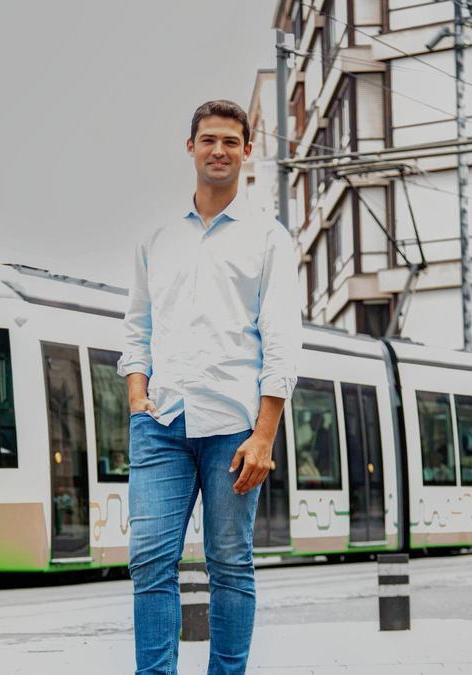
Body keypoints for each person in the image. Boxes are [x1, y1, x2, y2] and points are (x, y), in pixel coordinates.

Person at [118, 99, 301, 675]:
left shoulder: (270, 239)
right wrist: (136, 394)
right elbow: (137, 324)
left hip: (234, 431)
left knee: (229, 563)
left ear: (247, 152)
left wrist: (265, 435)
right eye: (207, 140)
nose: (218, 150)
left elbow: (282, 338)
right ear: (190, 147)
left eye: (230, 141)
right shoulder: (157, 239)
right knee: (149, 562)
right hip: (162, 424)